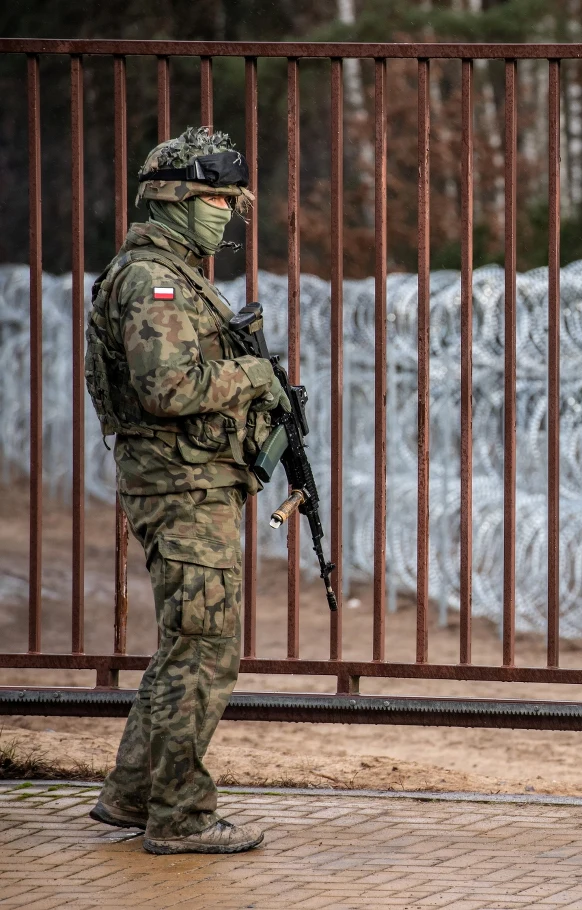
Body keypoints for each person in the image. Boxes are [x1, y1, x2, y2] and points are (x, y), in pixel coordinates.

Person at [84, 126, 288, 855]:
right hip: (179, 488)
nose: (226, 212)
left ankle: (131, 795)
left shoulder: (175, 270)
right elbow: (167, 387)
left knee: (184, 646)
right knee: (206, 652)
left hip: (190, 485)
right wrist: (253, 377)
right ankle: (182, 816)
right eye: (213, 198)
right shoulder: (152, 278)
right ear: (171, 198)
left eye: (230, 199)